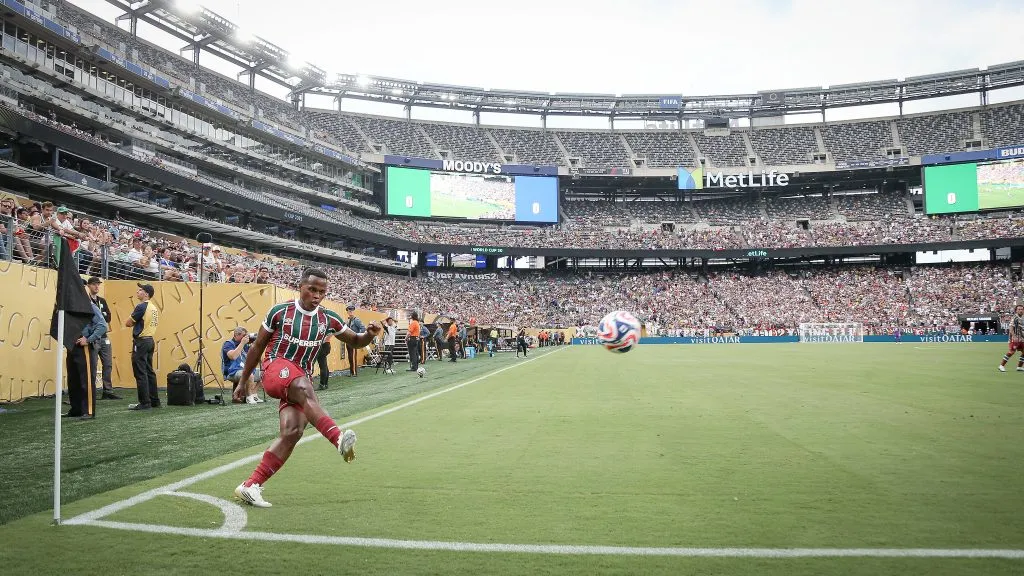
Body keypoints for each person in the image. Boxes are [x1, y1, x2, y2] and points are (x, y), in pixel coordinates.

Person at [232, 268, 381, 508]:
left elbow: (355, 340)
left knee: (292, 432)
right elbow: (258, 346)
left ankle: (251, 486)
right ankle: (338, 438)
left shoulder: (328, 318)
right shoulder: (280, 312)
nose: (316, 295)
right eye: (312, 289)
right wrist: (243, 382)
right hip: (275, 369)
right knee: (303, 387)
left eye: (322, 291)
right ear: (300, 286)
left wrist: (370, 335)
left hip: (300, 377)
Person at [65, 281, 108, 420]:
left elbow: (102, 325)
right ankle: (76, 409)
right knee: (73, 380)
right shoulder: (69, 308)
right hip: (72, 345)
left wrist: (88, 339)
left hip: (84, 347)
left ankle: (88, 411)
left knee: (86, 380)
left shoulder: (89, 306)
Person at [126, 283, 160, 410]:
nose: (138, 291)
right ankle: (154, 400)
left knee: (140, 372)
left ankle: (145, 402)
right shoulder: (153, 308)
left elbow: (128, 323)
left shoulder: (141, 306)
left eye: (140, 290)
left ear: (146, 294)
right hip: (150, 340)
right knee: (149, 371)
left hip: (141, 342)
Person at [86, 276, 119, 400]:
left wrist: (99, 320)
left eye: (98, 284)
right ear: (89, 286)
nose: (97, 287)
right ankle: (91, 391)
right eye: (94, 284)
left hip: (104, 336)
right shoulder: (86, 300)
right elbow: (92, 318)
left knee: (108, 364)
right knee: (93, 365)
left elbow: (108, 317)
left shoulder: (102, 301)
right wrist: (100, 319)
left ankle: (108, 390)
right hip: (92, 337)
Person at [222, 327, 263, 403]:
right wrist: (242, 343)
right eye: (244, 335)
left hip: (244, 369)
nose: (246, 337)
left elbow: (254, 359)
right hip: (232, 372)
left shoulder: (246, 345)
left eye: (246, 335)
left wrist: (255, 345)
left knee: (265, 373)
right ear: (237, 335)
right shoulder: (228, 344)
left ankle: (254, 394)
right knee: (249, 375)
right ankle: (249, 397)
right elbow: (233, 356)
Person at [999, 304, 1024, 372]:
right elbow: (1011, 328)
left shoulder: (1022, 318)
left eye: (1022, 309)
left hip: (1021, 339)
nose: (1021, 310)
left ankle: (1019, 367)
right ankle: (1001, 366)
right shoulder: (1015, 318)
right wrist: (1014, 336)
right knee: (1012, 352)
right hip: (1015, 339)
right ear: (1016, 311)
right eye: (1019, 309)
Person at [344, 305, 365, 376]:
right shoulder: (348, 321)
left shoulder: (356, 320)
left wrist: (357, 336)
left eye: (352, 311)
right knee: (350, 356)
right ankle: (352, 372)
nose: (350, 312)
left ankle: (354, 372)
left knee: (352, 356)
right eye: (349, 311)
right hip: (348, 340)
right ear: (347, 312)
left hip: (353, 340)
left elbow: (363, 328)